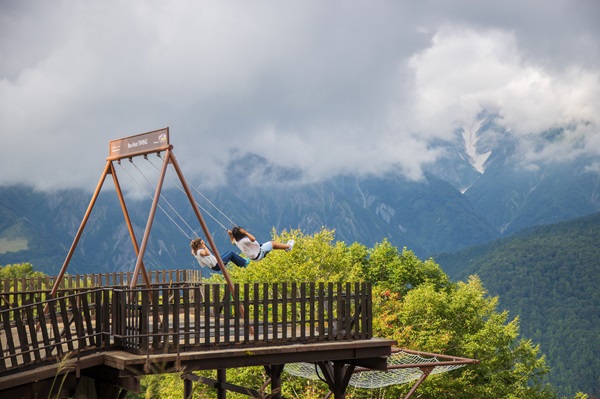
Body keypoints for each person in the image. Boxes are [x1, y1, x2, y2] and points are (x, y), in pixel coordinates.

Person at [228, 226, 294, 262]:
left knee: (270, 245)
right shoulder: (244, 240)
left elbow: (232, 242)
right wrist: (245, 233)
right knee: (272, 243)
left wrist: (231, 235)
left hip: (254, 257)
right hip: (259, 253)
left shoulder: (237, 241)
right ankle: (289, 246)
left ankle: (285, 248)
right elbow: (253, 239)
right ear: (241, 234)